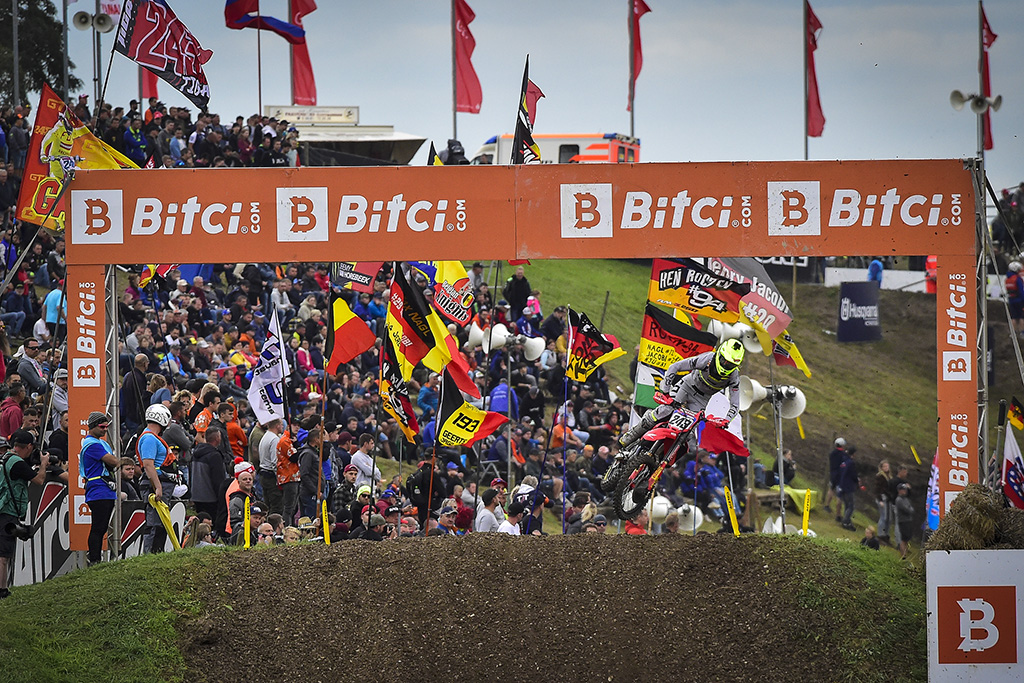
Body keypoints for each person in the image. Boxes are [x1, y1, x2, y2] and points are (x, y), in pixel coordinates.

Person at [618, 339, 744, 449]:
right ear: (719, 355)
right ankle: (632, 434)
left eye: (731, 365)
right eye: (724, 361)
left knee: (687, 434)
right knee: (666, 409)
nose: (726, 365)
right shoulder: (706, 359)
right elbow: (675, 366)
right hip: (686, 387)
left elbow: (735, 404)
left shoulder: (733, 377)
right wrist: (666, 392)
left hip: (701, 400)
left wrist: (726, 420)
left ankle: (663, 456)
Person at [0, 430, 49, 599]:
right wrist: (43, 464)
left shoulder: (5, 458)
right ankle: (2, 591)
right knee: (3, 554)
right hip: (7, 511)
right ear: (28, 446)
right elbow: (39, 480)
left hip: (3, 509)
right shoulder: (17, 463)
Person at [136, 404, 177, 553]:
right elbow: (148, 464)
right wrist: (158, 486)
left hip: (162, 484)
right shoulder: (149, 438)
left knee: (161, 523)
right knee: (155, 523)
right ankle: (151, 554)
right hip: (155, 486)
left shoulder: (152, 437)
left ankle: (157, 552)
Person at [80, 413, 119, 565]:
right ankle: (94, 560)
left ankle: (96, 559)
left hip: (104, 488)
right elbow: (113, 461)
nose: (105, 430)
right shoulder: (93, 444)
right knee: (98, 527)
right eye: (102, 427)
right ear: (93, 426)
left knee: (101, 527)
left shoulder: (99, 443)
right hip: (98, 488)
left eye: (107, 427)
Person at [836, 445, 860, 531]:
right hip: (848, 487)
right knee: (851, 505)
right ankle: (845, 521)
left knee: (847, 504)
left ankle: (847, 520)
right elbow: (853, 475)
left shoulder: (844, 462)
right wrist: (857, 481)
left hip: (842, 486)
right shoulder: (850, 463)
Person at [823, 437, 846, 514]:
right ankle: (838, 513)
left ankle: (827, 505)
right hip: (840, 476)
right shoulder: (843, 455)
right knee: (839, 495)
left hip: (833, 473)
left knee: (831, 489)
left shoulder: (832, 453)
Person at [874, 460, 892, 544]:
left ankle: (886, 534)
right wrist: (880, 500)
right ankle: (880, 534)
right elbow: (877, 489)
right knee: (883, 517)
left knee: (888, 518)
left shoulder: (889, 477)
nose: (886, 468)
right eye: (884, 466)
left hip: (888, 499)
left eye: (887, 466)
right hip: (882, 498)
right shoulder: (880, 476)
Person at [895, 483, 914, 558]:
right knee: (903, 538)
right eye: (903, 489)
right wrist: (910, 510)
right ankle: (903, 555)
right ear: (899, 490)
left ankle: (905, 553)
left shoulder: (905, 499)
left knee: (907, 538)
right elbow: (907, 509)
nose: (904, 491)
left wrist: (910, 509)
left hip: (908, 520)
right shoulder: (899, 500)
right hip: (903, 521)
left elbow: (910, 508)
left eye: (905, 489)